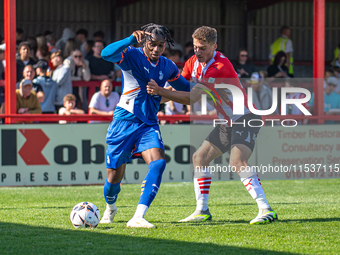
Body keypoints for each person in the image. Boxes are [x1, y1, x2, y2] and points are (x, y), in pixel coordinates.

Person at [146, 26, 277, 225]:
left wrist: (159, 92)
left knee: (237, 161)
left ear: (214, 46)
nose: (197, 52)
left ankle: (266, 209)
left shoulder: (220, 66)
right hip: (228, 121)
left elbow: (192, 98)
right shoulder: (192, 62)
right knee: (199, 158)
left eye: (203, 48)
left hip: (246, 117)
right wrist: (153, 95)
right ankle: (202, 211)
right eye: (195, 47)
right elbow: (175, 87)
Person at [99, 23, 191, 228]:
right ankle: (110, 207)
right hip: (124, 122)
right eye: (152, 44)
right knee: (113, 178)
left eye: (161, 45)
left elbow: (187, 90)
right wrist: (130, 39)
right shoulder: (131, 55)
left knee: (158, 163)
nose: (156, 49)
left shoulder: (168, 66)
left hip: (149, 124)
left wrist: (207, 88)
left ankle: (138, 216)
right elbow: (106, 54)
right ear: (144, 42)